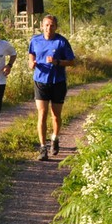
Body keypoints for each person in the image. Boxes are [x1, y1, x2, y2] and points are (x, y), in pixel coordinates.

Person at [27, 13, 76, 161]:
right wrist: (31, 63)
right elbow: (31, 54)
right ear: (42, 26)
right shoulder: (35, 40)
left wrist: (57, 62)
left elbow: (72, 61)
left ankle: (55, 137)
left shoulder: (61, 42)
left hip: (57, 81)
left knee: (56, 115)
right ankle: (43, 147)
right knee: (42, 113)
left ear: (56, 27)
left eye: (52, 25)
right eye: (46, 25)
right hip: (40, 81)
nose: (49, 28)